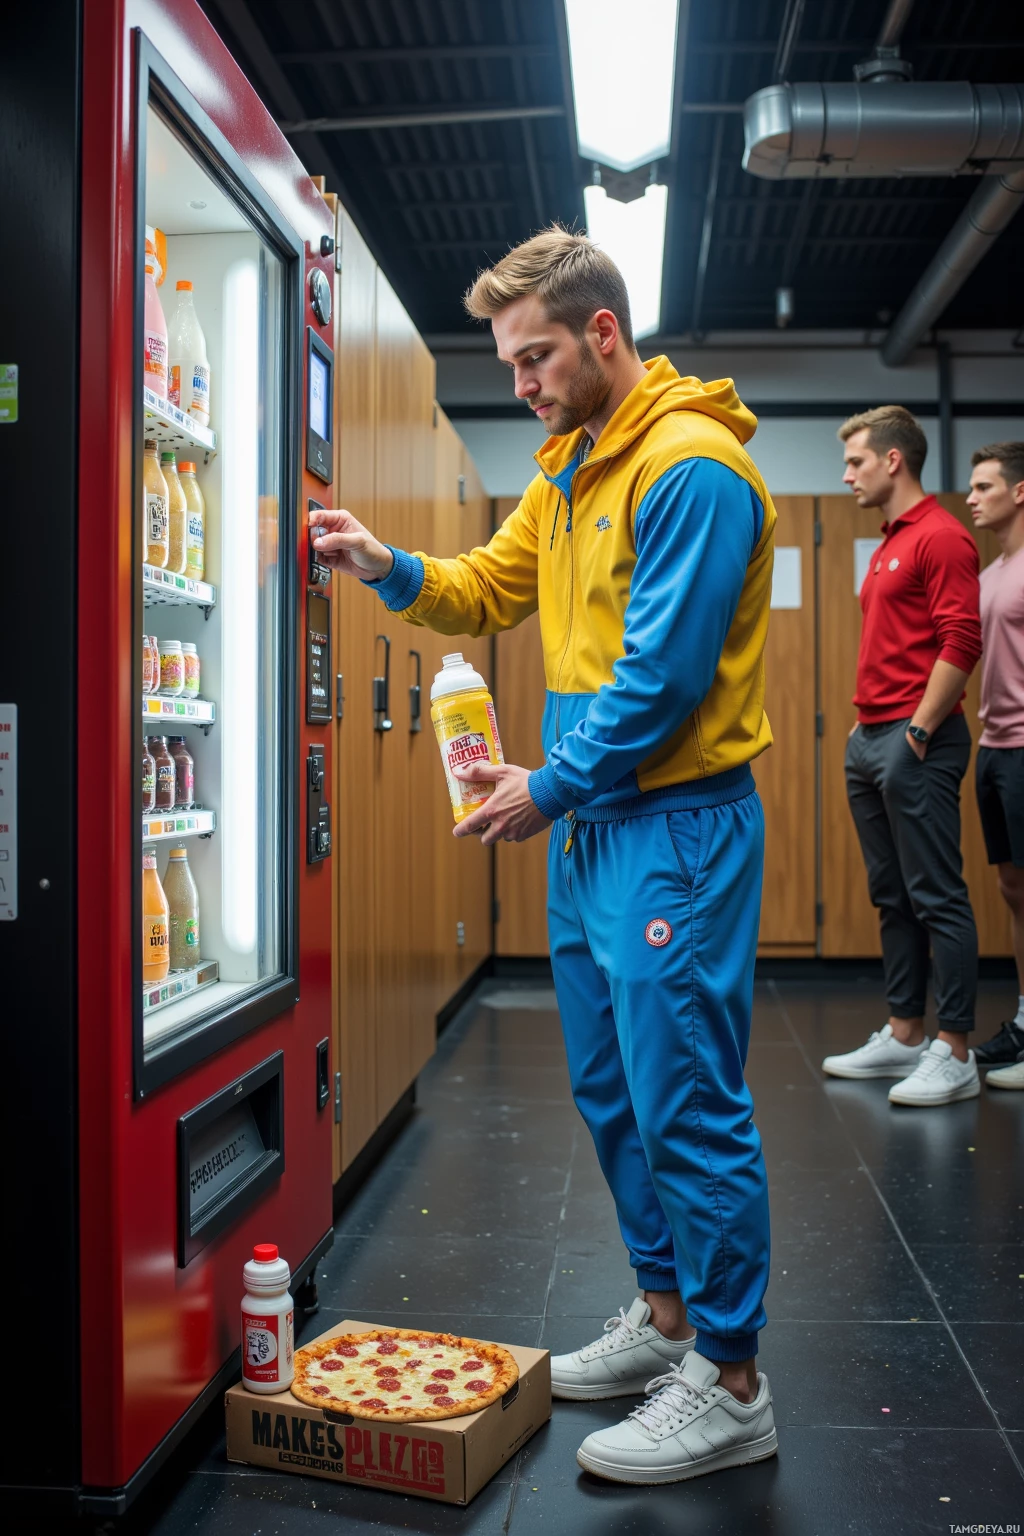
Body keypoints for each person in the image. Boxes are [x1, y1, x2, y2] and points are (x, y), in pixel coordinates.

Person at [312, 228, 779, 1485]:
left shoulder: (688, 469)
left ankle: (733, 1381)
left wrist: (552, 785)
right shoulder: (572, 466)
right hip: (596, 828)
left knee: (687, 1097)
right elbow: (489, 584)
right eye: (510, 363)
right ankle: (667, 1316)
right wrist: (387, 566)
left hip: (670, 826)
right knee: (615, 1094)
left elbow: (665, 678)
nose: (520, 383)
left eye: (534, 358)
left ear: (603, 334)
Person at [822, 406, 983, 1105]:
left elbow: (961, 642)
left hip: (916, 737)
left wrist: (917, 731)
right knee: (892, 896)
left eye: (856, 460)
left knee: (936, 895)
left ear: (893, 460)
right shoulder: (892, 540)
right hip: (871, 736)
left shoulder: (941, 537)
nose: (847, 472)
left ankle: (955, 1050)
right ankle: (905, 1033)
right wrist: (871, 737)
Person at [966, 442, 1024, 1091]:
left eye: (984, 486)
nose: (973, 496)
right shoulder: (990, 573)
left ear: (1020, 491)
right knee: (1013, 889)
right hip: (995, 745)